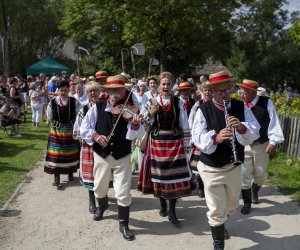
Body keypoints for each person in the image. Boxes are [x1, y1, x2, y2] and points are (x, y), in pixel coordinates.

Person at [191, 71, 260, 250]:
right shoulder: (203, 109)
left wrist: (242, 128)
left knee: (230, 205)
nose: (225, 94)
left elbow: (255, 129)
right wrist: (216, 138)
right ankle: (218, 244)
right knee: (215, 208)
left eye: (227, 90)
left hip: (233, 166)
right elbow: (197, 137)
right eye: (220, 91)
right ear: (212, 91)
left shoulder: (240, 107)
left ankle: (222, 221)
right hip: (211, 168)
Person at [80, 75, 144, 241]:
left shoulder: (130, 109)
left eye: (119, 90)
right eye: (112, 90)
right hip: (101, 155)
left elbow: (135, 135)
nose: (116, 93)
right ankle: (102, 205)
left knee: (123, 191)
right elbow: (84, 127)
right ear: (107, 91)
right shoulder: (98, 106)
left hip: (122, 155)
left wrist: (136, 124)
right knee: (100, 187)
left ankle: (124, 224)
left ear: (124, 91)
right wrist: (95, 136)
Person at [138, 71, 193, 225]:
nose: (165, 86)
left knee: (173, 178)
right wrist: (150, 113)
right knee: (160, 176)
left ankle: (172, 211)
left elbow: (184, 124)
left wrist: (187, 145)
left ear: (172, 85)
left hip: (175, 143)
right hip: (157, 143)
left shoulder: (178, 102)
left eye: (168, 84)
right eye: (163, 84)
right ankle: (162, 204)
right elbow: (142, 122)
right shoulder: (152, 102)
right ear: (159, 85)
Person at [238, 79, 284, 215]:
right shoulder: (241, 105)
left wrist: (273, 141)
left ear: (253, 92)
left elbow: (274, 121)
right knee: (244, 174)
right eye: (241, 90)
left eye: (245, 91)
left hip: (261, 144)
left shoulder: (266, 103)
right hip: (245, 144)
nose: (242, 93)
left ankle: (255, 189)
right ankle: (247, 203)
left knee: (261, 174)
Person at [44, 80, 81, 188]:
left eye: (65, 90)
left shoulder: (74, 101)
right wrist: (51, 122)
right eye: (61, 91)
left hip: (70, 132)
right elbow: (49, 117)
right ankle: (56, 178)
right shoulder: (53, 102)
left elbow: (81, 113)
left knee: (70, 154)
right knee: (56, 155)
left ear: (69, 90)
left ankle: (70, 173)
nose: (63, 93)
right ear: (58, 91)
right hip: (57, 133)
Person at [73, 81, 101, 215]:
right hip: (88, 146)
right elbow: (77, 129)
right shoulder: (83, 109)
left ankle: (102, 199)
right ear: (87, 94)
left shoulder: (105, 107)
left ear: (99, 92)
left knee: (102, 174)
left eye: (95, 90)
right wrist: (83, 138)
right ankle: (92, 201)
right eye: (90, 91)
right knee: (90, 174)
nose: (93, 93)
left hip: (102, 145)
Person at [188, 81, 212, 198]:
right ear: (202, 91)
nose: (207, 92)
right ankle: (201, 186)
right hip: (200, 137)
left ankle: (209, 186)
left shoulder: (215, 103)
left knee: (210, 162)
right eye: (205, 90)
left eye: (209, 90)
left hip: (212, 136)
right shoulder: (198, 104)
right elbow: (192, 121)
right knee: (198, 164)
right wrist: (193, 136)